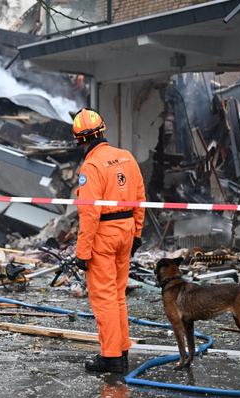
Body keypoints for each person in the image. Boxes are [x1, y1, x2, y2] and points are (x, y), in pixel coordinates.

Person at [72, 108, 146, 373]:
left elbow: (89, 213)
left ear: (79, 140)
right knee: (117, 295)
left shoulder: (90, 167)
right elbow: (140, 197)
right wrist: (137, 232)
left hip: (103, 234)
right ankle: (122, 351)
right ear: (102, 131)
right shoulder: (126, 157)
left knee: (104, 298)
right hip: (125, 231)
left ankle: (112, 357)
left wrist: (82, 252)